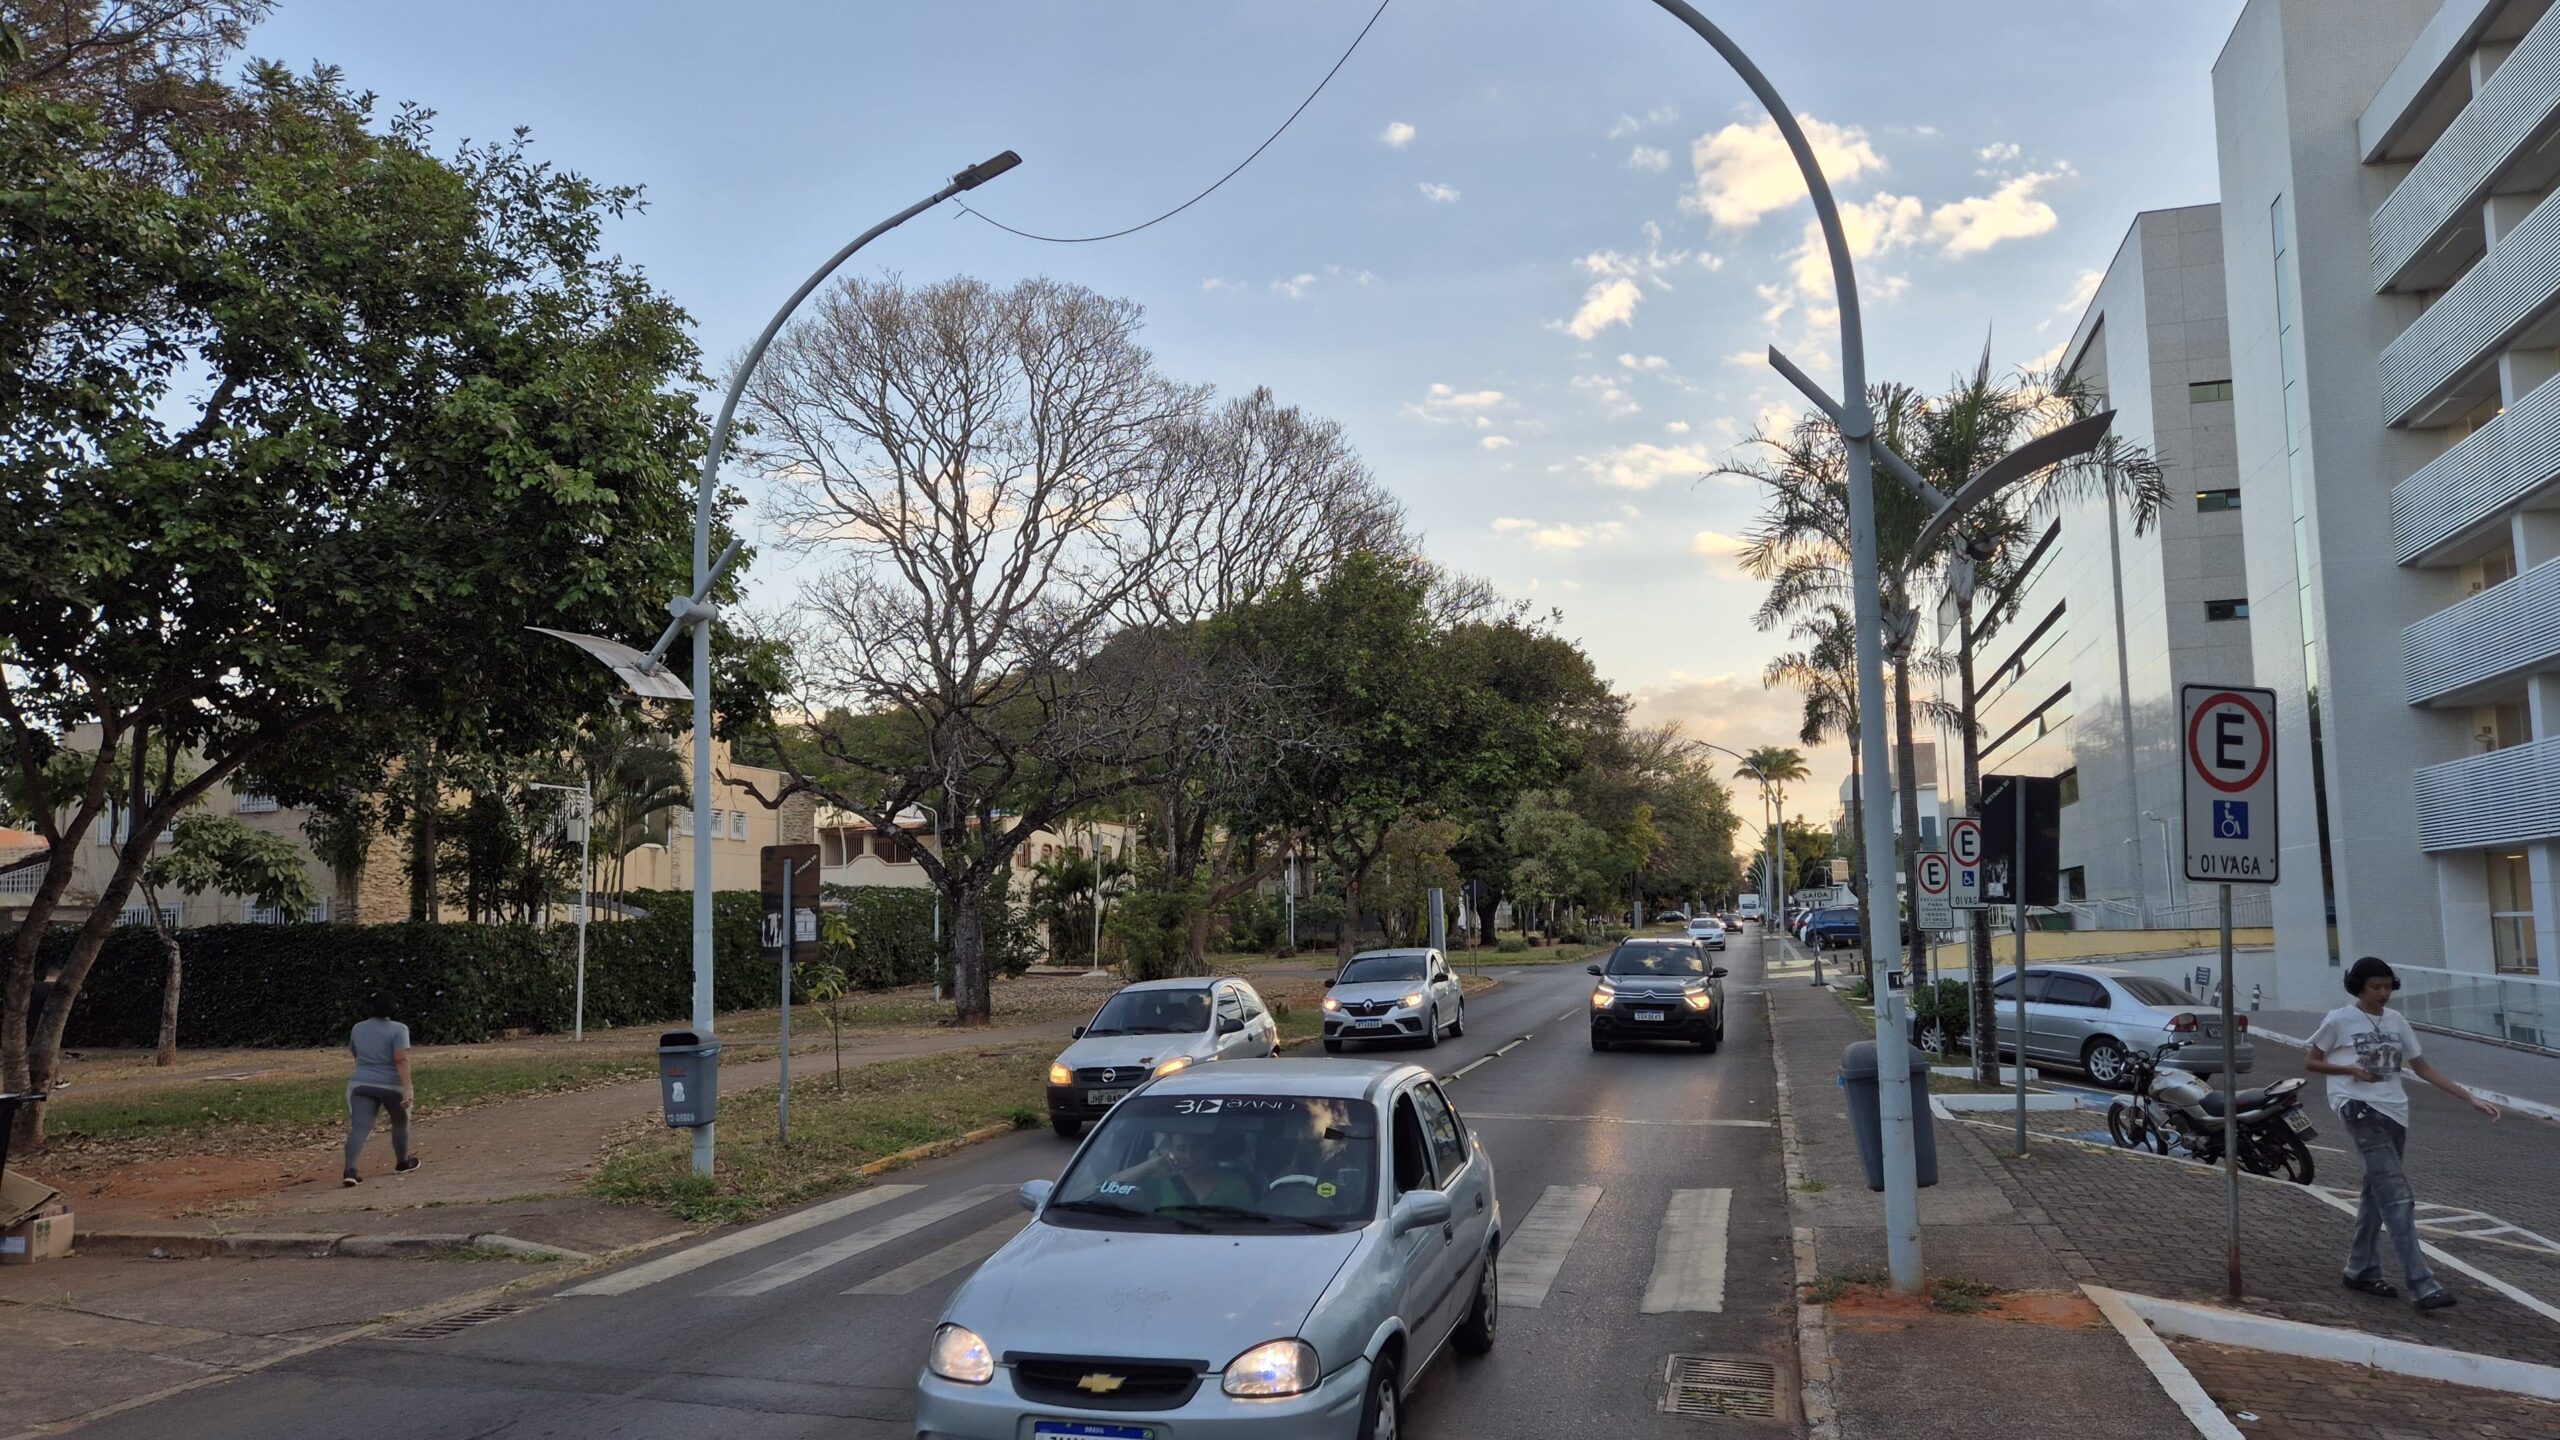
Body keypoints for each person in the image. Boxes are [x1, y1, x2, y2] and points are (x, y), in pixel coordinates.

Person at [2304, 956, 2499, 1309]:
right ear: (2358, 987)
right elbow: (2311, 1061)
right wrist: (2349, 1069)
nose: (2383, 993)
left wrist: (2469, 1097)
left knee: (2375, 1193)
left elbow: (2422, 1067)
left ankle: (2360, 1268)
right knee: (2397, 1196)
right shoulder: (2339, 1019)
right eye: (2375, 987)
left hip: (2395, 1111)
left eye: (2388, 986)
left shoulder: (2396, 1021)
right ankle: (2423, 1284)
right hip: (2358, 1108)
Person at [343, 991, 420, 1186]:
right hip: (392, 1085)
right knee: (400, 1123)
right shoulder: (399, 1029)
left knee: (360, 1127)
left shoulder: (357, 1028)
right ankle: (403, 1162)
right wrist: (407, 1088)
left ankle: (350, 1170)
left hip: (361, 1083)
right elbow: (401, 1059)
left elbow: (355, 1052)